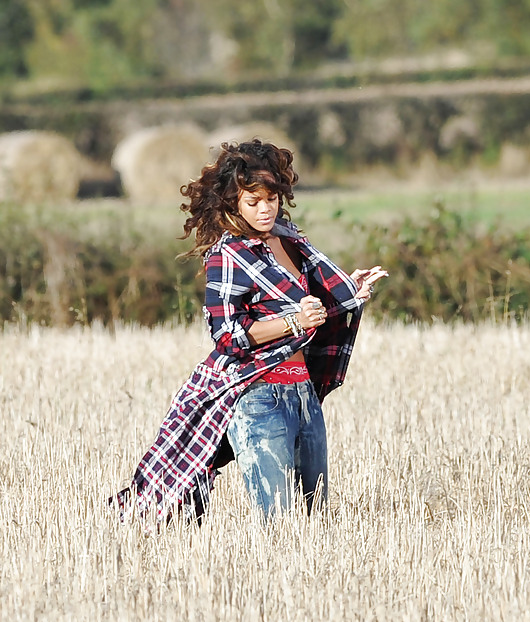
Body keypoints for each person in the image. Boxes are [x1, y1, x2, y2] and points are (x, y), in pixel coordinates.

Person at [112, 139, 388, 522]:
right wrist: (293, 321)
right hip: (259, 397)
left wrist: (348, 291)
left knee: (315, 521)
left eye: (271, 198)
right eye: (252, 201)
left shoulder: (290, 239)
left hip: (303, 393)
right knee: (279, 523)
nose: (264, 209)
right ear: (233, 202)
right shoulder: (229, 254)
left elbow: (313, 302)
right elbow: (226, 336)